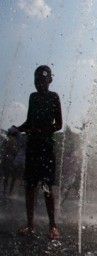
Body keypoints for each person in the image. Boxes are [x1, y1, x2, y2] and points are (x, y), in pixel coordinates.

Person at [10, 65, 62, 240]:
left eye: (42, 80)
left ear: (49, 80)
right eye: (36, 80)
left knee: (47, 187)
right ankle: (30, 225)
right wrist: (18, 128)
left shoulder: (54, 97)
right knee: (30, 186)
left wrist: (44, 130)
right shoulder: (32, 97)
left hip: (46, 147)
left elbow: (59, 125)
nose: (39, 83)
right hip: (33, 147)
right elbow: (29, 122)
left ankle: (53, 226)